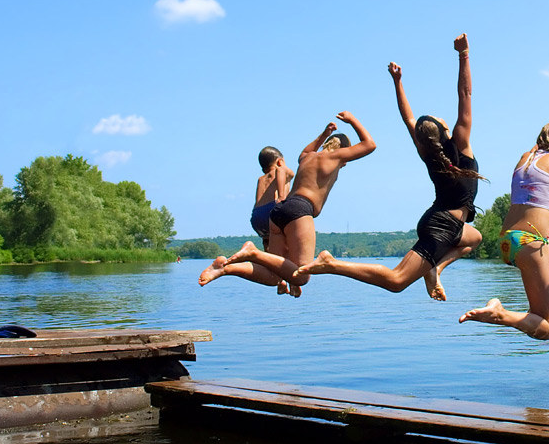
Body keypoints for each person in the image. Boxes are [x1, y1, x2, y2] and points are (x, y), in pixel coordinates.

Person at [295, 34, 483, 300]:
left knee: (474, 238)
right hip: (442, 227)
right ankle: (331, 264)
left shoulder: (427, 153)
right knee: (396, 281)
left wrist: (398, 83)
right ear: (444, 130)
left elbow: (407, 116)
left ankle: (434, 269)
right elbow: (465, 94)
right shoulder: (462, 144)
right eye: (442, 120)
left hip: (440, 220)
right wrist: (464, 54)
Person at [459, 116, 549, 339]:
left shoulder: (526, 158)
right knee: (548, 330)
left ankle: (540, 299)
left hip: (507, 242)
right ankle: (500, 313)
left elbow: (539, 147)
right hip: (530, 242)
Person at [198, 112, 376, 293]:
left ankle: (225, 267)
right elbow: (370, 144)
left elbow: (305, 151)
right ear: (344, 151)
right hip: (300, 209)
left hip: (278, 213)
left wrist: (324, 133)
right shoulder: (335, 157)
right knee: (303, 275)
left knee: (274, 276)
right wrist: (352, 119)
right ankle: (253, 252)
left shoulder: (307, 157)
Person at [252, 146, 293, 251]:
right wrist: (281, 196)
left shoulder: (260, 179)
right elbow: (284, 171)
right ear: (280, 161)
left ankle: (266, 259)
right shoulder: (280, 169)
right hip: (271, 209)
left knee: (267, 242)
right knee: (286, 242)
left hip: (256, 215)